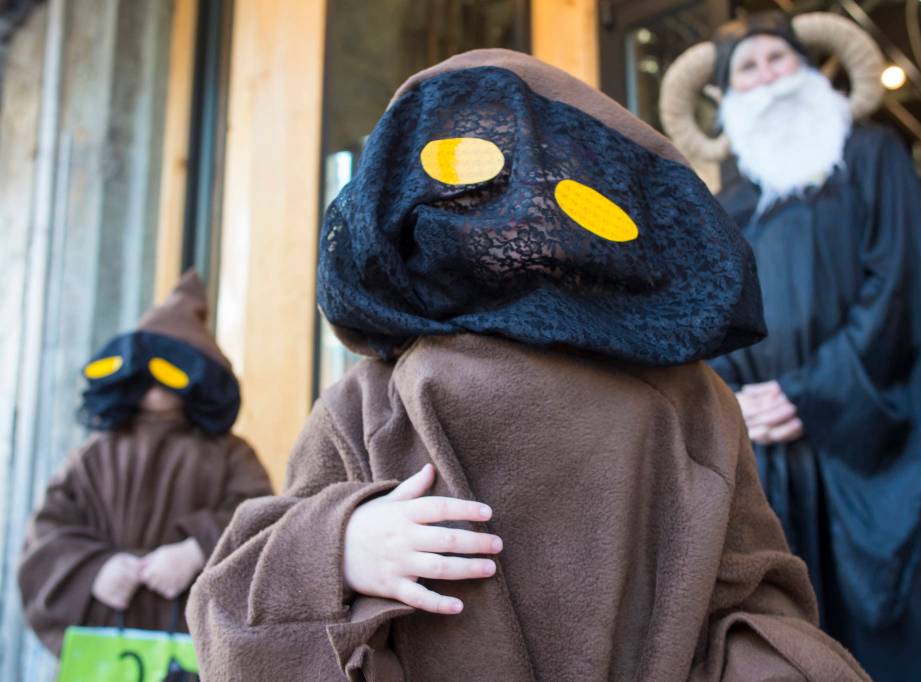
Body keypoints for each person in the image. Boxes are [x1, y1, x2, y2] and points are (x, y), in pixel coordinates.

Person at [186, 49, 868, 681]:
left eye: (549, 176)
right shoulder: (367, 403)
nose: (515, 206)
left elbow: (753, 597)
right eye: (471, 174)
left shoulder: (692, 403)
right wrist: (339, 547)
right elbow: (232, 603)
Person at [660, 12, 921, 682]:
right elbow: (710, 319)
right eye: (747, 69)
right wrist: (733, 402)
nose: (768, 77)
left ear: (811, 72)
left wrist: (813, 392)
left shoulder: (873, 158)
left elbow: (900, 287)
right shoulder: (733, 203)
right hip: (768, 449)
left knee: (898, 633)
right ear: (726, 100)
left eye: (780, 60)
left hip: (869, 438)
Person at [18, 270, 272, 655]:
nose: (154, 384)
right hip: (103, 653)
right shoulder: (93, 455)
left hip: (194, 647)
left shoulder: (230, 454)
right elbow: (48, 532)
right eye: (143, 370)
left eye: (171, 371)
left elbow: (262, 519)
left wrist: (197, 551)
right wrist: (94, 570)